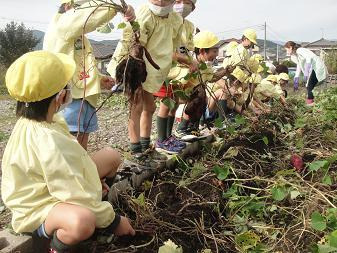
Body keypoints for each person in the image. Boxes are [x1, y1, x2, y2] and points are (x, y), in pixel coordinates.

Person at [1, 51, 135, 253]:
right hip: (37, 206)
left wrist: (91, 181)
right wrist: (114, 221)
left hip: (52, 185)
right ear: (60, 96)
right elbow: (72, 190)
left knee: (111, 156)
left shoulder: (42, 122)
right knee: (82, 221)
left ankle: (99, 219)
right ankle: (52, 244)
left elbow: (69, 171)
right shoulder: (48, 140)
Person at [43, 0, 135, 149]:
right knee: (70, 140)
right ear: (67, 7)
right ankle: (73, 170)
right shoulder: (61, 27)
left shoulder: (80, 37)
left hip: (84, 97)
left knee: (83, 136)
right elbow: (86, 20)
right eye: (83, 9)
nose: (91, 12)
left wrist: (99, 79)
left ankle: (82, 167)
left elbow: (82, 64)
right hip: (70, 97)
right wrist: (113, 8)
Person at [108, 0, 184, 162]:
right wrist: (132, 69)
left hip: (152, 70)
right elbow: (134, 43)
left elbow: (173, 45)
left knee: (149, 107)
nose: (162, 3)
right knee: (136, 106)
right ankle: (136, 150)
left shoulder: (176, 19)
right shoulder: (145, 14)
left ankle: (145, 146)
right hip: (136, 66)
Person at [153, 0, 198, 154]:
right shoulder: (168, 19)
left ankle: (168, 136)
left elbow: (187, 50)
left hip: (182, 71)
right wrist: (185, 60)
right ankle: (161, 139)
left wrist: (190, 62)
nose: (181, 5)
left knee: (175, 104)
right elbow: (167, 49)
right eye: (178, 1)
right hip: (168, 69)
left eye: (186, 2)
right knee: (166, 104)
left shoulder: (189, 26)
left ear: (192, 6)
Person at [285, 41, 328, 106]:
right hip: (312, 69)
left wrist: (306, 72)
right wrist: (296, 78)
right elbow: (299, 66)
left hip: (317, 67)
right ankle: (314, 103)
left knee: (309, 87)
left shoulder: (300, 50)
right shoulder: (294, 56)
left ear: (290, 47)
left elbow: (309, 58)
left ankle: (310, 104)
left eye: (286, 50)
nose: (287, 52)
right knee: (310, 87)